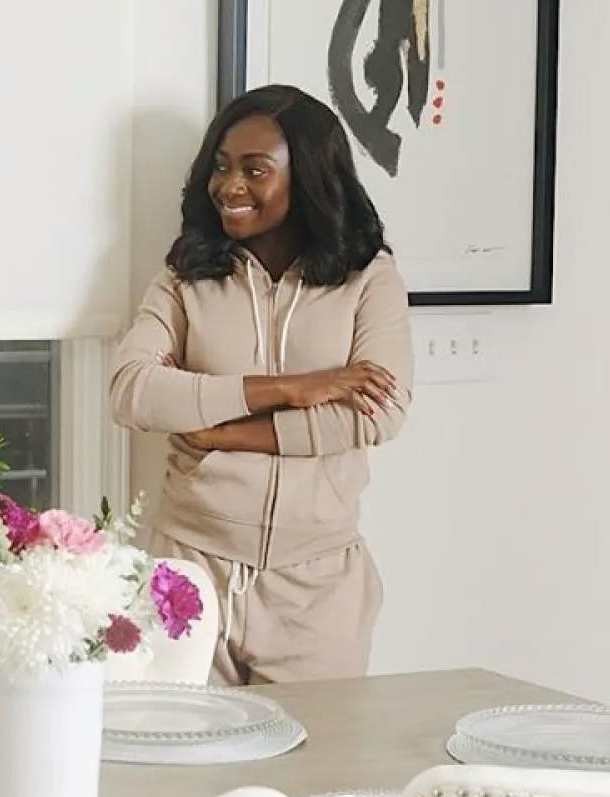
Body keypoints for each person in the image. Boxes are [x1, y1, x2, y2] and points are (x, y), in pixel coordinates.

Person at [108, 85, 412, 684]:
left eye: (255, 169)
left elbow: (378, 412)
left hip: (317, 586)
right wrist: (286, 388)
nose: (230, 186)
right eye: (221, 167)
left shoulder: (368, 278)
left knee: (314, 770)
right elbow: (132, 390)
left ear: (311, 178)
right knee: (181, 767)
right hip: (188, 569)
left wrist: (223, 434)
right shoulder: (186, 275)